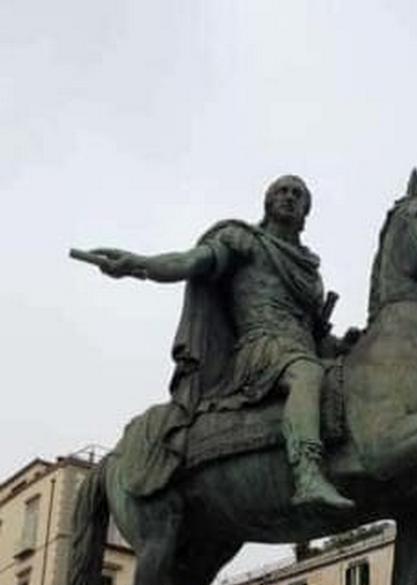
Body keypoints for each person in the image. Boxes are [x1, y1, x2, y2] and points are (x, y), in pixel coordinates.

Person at [88, 175, 355, 510]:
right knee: (306, 374)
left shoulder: (310, 273)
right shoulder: (244, 241)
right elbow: (188, 262)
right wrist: (138, 265)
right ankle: (307, 474)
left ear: (306, 211)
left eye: (297, 194)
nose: (289, 197)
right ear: (268, 202)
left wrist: (344, 344)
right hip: (260, 347)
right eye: (281, 192)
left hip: (299, 348)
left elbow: (316, 334)